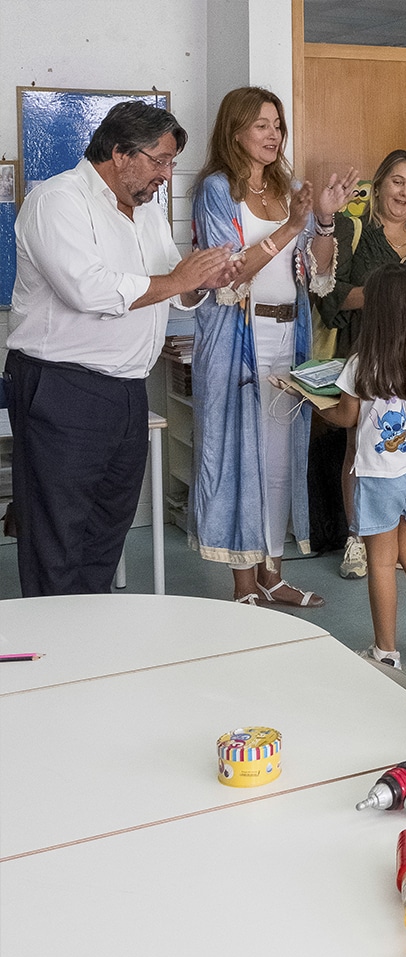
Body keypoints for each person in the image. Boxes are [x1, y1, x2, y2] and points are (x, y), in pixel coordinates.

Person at [4, 101, 236, 596]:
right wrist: (178, 279)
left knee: (108, 529)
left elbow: (169, 285)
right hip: (63, 388)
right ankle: (54, 640)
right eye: (160, 160)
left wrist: (201, 281)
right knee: (56, 535)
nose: (167, 175)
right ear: (119, 153)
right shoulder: (57, 200)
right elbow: (88, 291)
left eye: (171, 162)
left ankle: (92, 633)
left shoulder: (146, 212)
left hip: (127, 390)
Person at [191, 86, 357, 607]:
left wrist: (323, 221)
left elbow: (319, 277)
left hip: (290, 336)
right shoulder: (217, 189)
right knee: (240, 458)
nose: (273, 134)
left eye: (278, 125)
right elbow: (229, 273)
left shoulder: (291, 189)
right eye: (261, 124)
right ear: (235, 130)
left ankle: (274, 574)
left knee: (281, 459)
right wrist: (291, 226)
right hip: (236, 339)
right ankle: (244, 584)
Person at [315, 148, 406, 580]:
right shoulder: (352, 230)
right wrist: (395, 295)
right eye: (397, 182)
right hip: (368, 351)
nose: (405, 193)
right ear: (378, 185)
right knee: (360, 446)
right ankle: (358, 540)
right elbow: (330, 293)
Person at [321, 264, 406, 671]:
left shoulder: (362, 364)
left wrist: (314, 406)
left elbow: (346, 417)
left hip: (381, 476)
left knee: (380, 562)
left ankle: (385, 653)